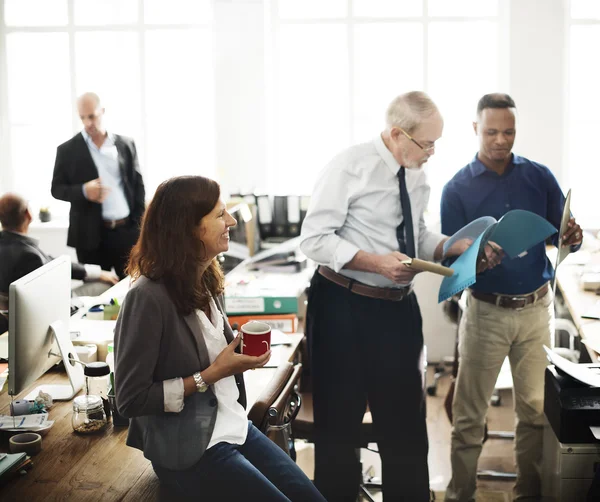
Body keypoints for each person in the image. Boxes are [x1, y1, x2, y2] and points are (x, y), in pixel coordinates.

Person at [300, 91, 474, 501]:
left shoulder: (416, 172)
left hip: (398, 310)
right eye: (426, 143)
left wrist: (450, 246)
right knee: (338, 426)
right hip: (342, 306)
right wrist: (376, 263)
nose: (432, 152)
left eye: (436, 143)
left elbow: (416, 235)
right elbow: (314, 240)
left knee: (406, 427)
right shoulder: (349, 166)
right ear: (397, 133)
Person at [113, 176, 326, 502]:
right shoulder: (146, 297)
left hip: (234, 426)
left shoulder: (206, 277)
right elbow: (129, 400)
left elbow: (204, 348)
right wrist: (211, 374)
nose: (232, 221)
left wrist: (236, 354)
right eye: (219, 215)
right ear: (188, 229)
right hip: (190, 449)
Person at [441, 93, 582, 502]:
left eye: (509, 131)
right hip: (487, 312)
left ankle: (529, 496)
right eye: (491, 132)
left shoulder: (539, 177)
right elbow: (452, 262)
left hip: (537, 310)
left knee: (536, 415)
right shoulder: (456, 189)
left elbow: (560, 237)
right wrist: (478, 261)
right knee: (469, 419)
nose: (501, 140)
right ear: (475, 130)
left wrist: (570, 237)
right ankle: (460, 495)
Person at [51, 92, 146, 279]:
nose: (88, 123)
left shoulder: (126, 144)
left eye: (92, 116)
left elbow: (138, 186)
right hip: (90, 236)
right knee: (96, 294)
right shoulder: (67, 150)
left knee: (133, 287)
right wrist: (84, 191)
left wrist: (139, 225)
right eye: (83, 118)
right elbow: (56, 189)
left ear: (102, 112)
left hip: (126, 233)